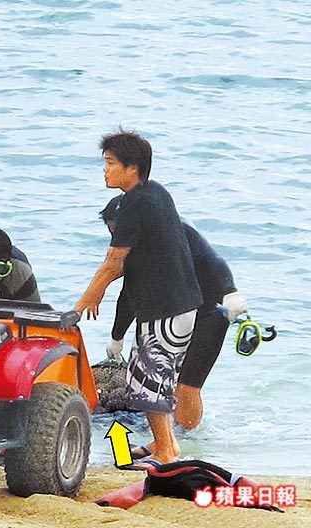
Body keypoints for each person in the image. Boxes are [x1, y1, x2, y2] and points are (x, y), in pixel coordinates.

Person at [74, 129, 203, 465]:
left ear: (132, 169)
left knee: (147, 382)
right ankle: (166, 445)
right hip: (180, 305)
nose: (105, 170)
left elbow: (114, 262)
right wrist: (98, 292)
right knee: (154, 379)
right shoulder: (156, 193)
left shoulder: (134, 203)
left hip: (166, 310)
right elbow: (128, 263)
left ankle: (165, 453)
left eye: (110, 163)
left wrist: (81, 304)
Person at [99, 195, 247, 455]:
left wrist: (230, 291)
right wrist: (116, 337)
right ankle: (165, 442)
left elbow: (212, 260)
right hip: (176, 313)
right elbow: (129, 294)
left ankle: (188, 445)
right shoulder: (134, 247)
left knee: (187, 386)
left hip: (210, 312)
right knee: (158, 380)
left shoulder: (175, 228)